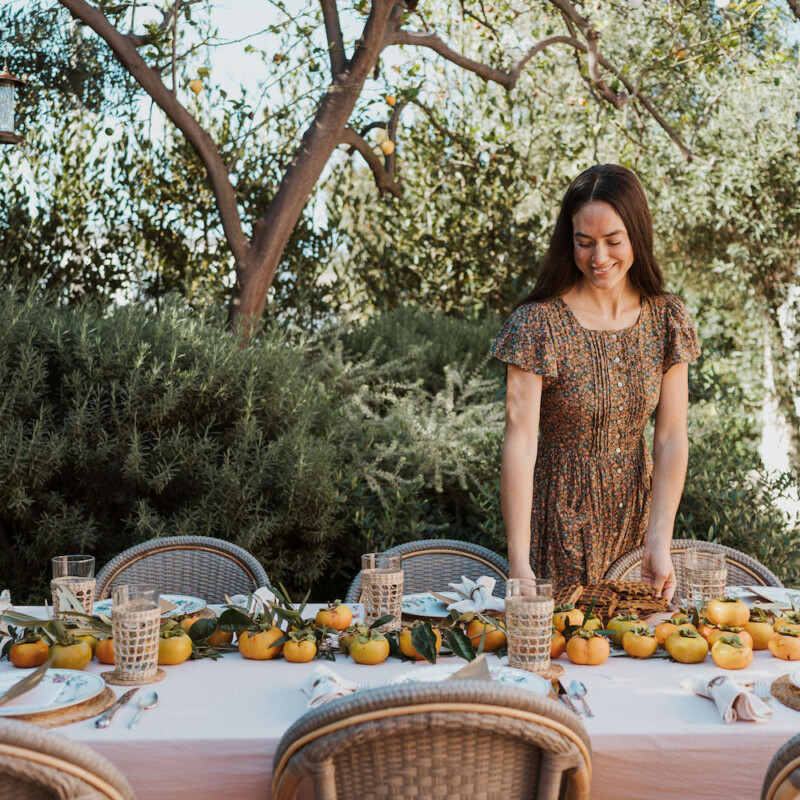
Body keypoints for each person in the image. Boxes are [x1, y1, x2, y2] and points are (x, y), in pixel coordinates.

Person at [492, 164, 700, 602]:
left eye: (613, 241)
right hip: (557, 525)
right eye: (584, 242)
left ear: (636, 236)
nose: (599, 258)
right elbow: (520, 443)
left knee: (638, 653)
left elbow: (670, 438)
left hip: (637, 528)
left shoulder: (667, 319)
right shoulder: (537, 325)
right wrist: (519, 563)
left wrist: (658, 542)